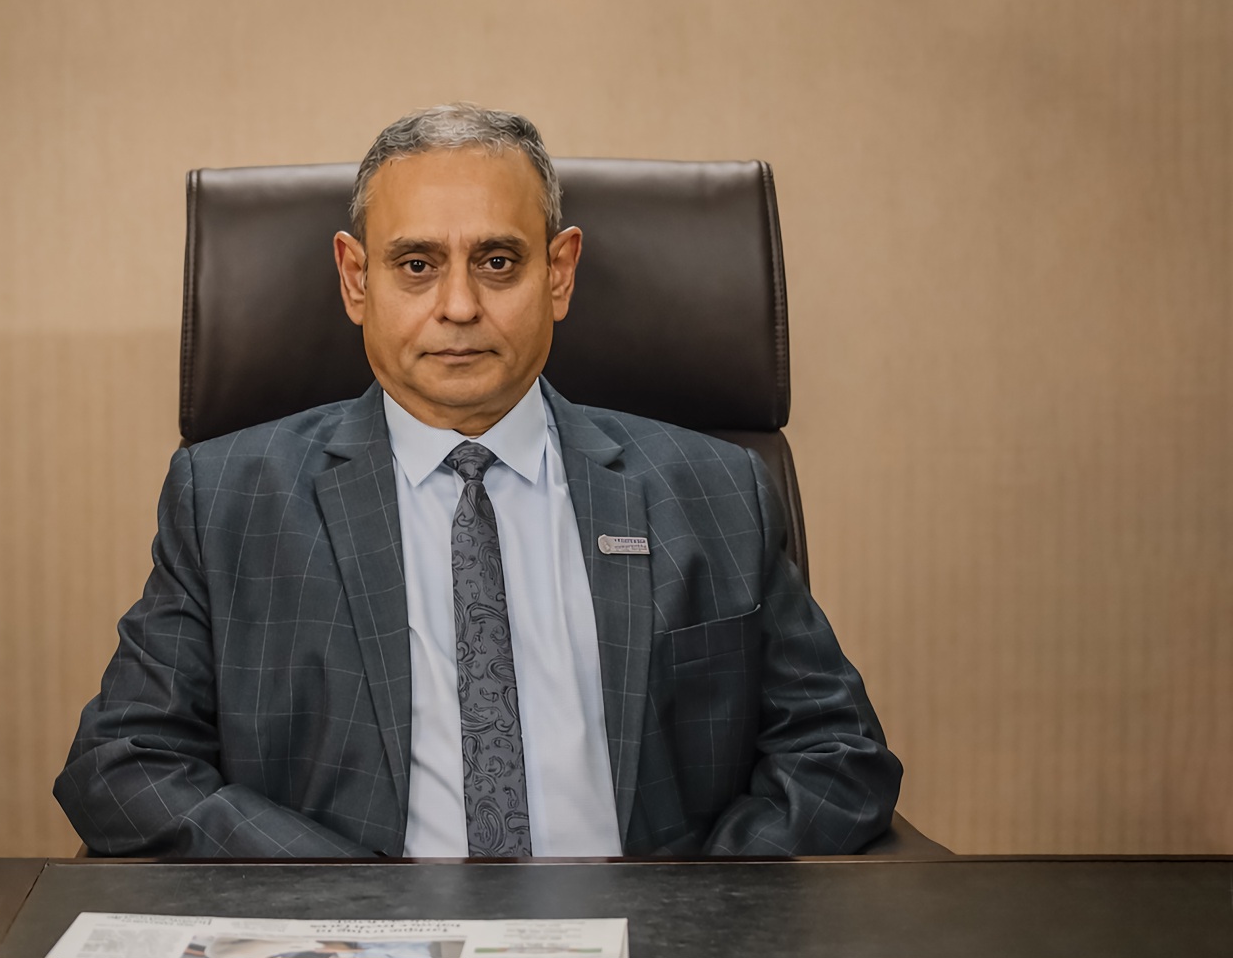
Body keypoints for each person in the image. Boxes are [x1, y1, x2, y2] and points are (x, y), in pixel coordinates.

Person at [55, 103, 901, 858]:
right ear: (355, 279)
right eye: (416, 265)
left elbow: (838, 754)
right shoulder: (228, 498)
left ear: (559, 272)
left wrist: (696, 908)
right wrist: (344, 900)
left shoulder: (715, 490)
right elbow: (123, 764)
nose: (459, 305)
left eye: (497, 261)